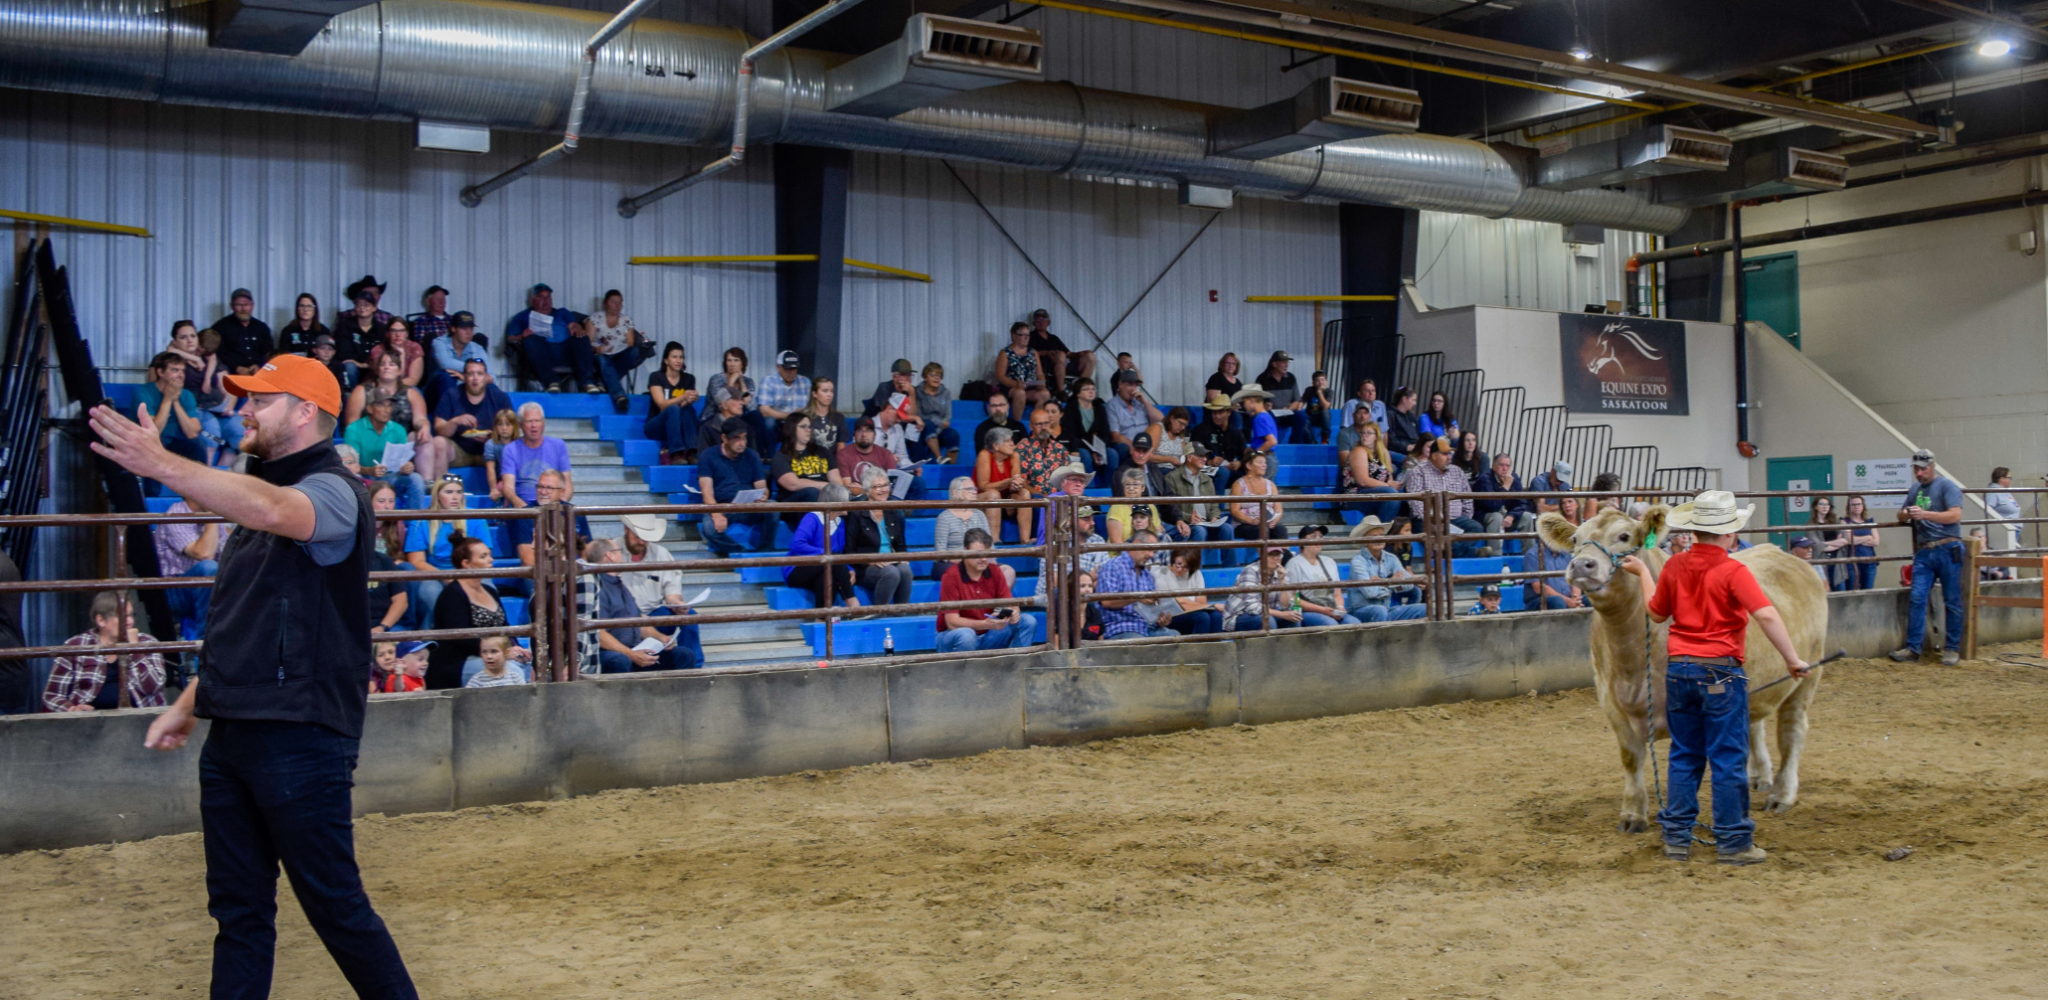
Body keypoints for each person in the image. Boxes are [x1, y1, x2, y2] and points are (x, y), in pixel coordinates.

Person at [91, 351, 418, 997]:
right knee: (238, 915)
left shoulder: (332, 492)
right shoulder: (254, 510)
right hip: (235, 733)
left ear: (303, 412)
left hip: (300, 734)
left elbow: (276, 508)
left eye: (259, 400)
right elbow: (242, 623)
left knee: (337, 910)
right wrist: (188, 704)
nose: (243, 408)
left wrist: (161, 464)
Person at [1619, 489, 1810, 866]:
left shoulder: (1674, 566)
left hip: (1679, 672)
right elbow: (1767, 615)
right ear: (1729, 535)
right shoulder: (1733, 570)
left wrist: (1643, 572)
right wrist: (1791, 659)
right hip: (1721, 671)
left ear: (1696, 531)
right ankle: (1734, 842)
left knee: (1685, 754)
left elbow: (1657, 614)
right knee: (1726, 758)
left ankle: (1676, 838)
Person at [1891, 449, 1966, 666]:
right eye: (1916, 469)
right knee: (1917, 597)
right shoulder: (1915, 489)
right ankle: (1913, 647)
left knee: (1952, 600)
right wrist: (1906, 514)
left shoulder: (1947, 486)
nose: (1919, 473)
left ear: (1932, 467)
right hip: (1925, 550)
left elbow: (1955, 515)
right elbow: (1900, 514)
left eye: (1923, 469)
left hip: (1947, 546)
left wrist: (1924, 515)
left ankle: (1951, 648)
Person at [41, 590, 169, 711]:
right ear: (101, 620)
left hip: (141, 722)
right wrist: (71, 709)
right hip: (92, 726)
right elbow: (51, 694)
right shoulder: (76, 645)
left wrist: (134, 649)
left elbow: (153, 687)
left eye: (131, 615)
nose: (130, 621)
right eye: (123, 616)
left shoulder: (147, 642)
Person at [587, 538, 699, 672]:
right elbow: (598, 632)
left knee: (684, 655)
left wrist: (660, 637)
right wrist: (631, 654)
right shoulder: (597, 587)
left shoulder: (620, 585)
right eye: (619, 551)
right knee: (619, 661)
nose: (622, 555)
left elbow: (639, 622)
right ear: (610, 556)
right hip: (612, 652)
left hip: (633, 648)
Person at [430, 533, 520, 688]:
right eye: (484, 556)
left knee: (527, 662)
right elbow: (461, 638)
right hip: (461, 661)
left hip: (494, 655)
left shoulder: (489, 590)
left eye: (490, 555)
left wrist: (515, 648)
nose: (491, 560)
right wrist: (500, 654)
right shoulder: (452, 595)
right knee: (510, 671)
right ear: (467, 563)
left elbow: (505, 625)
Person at [935, 528, 1038, 652]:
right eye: (977, 554)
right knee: (966, 635)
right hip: (956, 635)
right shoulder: (951, 576)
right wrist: (984, 624)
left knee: (1027, 621)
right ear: (965, 551)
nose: (983, 559)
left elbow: (1011, 604)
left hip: (988, 633)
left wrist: (1014, 612)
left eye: (987, 554)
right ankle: (964, 671)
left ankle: (1015, 667)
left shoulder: (995, 571)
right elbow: (952, 622)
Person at [403, 476, 491, 618]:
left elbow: (484, 555)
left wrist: (463, 577)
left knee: (488, 588)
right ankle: (434, 635)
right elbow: (416, 561)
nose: (455, 497)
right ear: (437, 495)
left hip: (471, 571)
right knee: (431, 592)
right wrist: (445, 576)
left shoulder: (476, 518)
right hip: (434, 574)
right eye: (449, 492)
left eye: (458, 492)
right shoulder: (420, 521)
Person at [698, 417, 772, 558]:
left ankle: (765, 552)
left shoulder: (752, 455)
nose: (741, 443)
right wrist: (717, 514)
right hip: (722, 506)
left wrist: (764, 494)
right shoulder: (708, 456)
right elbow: (707, 492)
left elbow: (761, 485)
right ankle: (741, 554)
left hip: (748, 506)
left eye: (744, 438)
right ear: (724, 438)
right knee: (708, 528)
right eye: (736, 438)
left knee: (773, 508)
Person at [154, 495, 229, 635]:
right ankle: (204, 642)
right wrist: (212, 517)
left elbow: (228, 554)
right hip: (174, 589)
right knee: (209, 568)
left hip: (204, 587)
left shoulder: (212, 517)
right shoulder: (176, 514)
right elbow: (204, 554)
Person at [503, 283, 595, 393]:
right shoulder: (522, 317)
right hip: (542, 354)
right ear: (532, 300)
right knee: (531, 340)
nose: (545, 300)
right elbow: (510, 338)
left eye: (548, 297)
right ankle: (552, 382)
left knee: (582, 338)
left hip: (565, 352)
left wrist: (576, 328)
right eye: (541, 297)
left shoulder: (562, 312)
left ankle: (588, 383)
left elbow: (573, 325)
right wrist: (522, 336)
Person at [342, 393, 426, 509]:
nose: (387, 410)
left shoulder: (399, 429)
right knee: (353, 478)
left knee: (415, 479)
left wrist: (407, 467)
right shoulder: (353, 429)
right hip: (364, 478)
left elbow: (403, 460)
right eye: (381, 405)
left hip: (390, 477)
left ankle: (415, 525)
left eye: (389, 405)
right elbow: (350, 465)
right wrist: (370, 471)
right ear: (370, 408)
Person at [845, 467, 915, 606]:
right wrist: (871, 560)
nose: (883, 490)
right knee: (891, 573)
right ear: (866, 491)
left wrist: (902, 558)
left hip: (891, 560)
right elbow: (849, 549)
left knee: (905, 571)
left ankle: (900, 614)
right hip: (865, 567)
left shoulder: (893, 511)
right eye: (877, 486)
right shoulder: (856, 513)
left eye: (885, 485)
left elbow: (901, 545)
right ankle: (879, 613)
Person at [1406, 437, 1484, 557]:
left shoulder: (1457, 471)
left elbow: (1467, 498)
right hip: (1427, 520)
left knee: (1476, 528)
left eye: (1450, 454)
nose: (1449, 457)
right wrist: (1436, 521)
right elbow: (1415, 502)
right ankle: (1469, 552)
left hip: (1455, 519)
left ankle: (1447, 551)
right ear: (1434, 456)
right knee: (1433, 531)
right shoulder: (1419, 471)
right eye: (1445, 454)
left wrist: (1465, 517)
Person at [432, 358, 515, 471]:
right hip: (459, 450)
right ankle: (441, 486)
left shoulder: (499, 397)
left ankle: (504, 487)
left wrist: (492, 436)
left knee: (507, 447)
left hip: (489, 451)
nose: (475, 378)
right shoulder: (451, 395)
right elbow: (438, 429)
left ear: (486, 377)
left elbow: (513, 429)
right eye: (471, 374)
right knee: (438, 442)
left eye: (479, 374)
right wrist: (455, 422)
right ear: (464, 377)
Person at [785, 483, 857, 608]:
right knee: (832, 559)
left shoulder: (840, 523)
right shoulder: (812, 518)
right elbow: (797, 545)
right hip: (798, 568)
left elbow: (839, 553)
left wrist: (849, 569)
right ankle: (852, 602)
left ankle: (821, 619)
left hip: (824, 567)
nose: (849, 503)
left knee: (827, 579)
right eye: (846, 500)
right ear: (836, 502)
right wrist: (825, 553)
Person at [1094, 530, 1174, 640]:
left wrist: (1159, 620)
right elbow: (1106, 601)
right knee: (1140, 641)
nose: (1151, 555)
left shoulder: (1146, 575)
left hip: (1145, 628)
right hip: (1120, 627)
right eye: (1149, 549)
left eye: (1153, 551)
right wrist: (1137, 597)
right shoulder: (1113, 566)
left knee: (1174, 637)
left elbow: (1149, 609)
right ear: (1136, 543)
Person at [933, 476, 1013, 585]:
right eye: (969, 489)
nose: (974, 492)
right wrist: (966, 561)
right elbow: (941, 552)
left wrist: (991, 559)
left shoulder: (979, 515)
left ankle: (994, 601)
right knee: (969, 570)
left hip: (979, 559)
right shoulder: (944, 517)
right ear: (955, 493)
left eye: (975, 489)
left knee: (1008, 572)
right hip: (952, 561)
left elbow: (989, 543)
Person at [1346, 518, 1428, 622]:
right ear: (1365, 541)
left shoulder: (1391, 558)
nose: (1379, 539)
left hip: (1386, 609)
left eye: (1381, 535)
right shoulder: (1358, 562)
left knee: (1425, 608)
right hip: (1360, 610)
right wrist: (1393, 582)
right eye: (1374, 536)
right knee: (1380, 611)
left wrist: (1383, 583)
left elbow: (1409, 584)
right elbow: (1370, 593)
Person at [135, 350, 208, 466]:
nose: (181, 375)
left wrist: (175, 401)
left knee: (197, 445)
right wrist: (167, 399)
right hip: (152, 443)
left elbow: (192, 433)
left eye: (182, 371)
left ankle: (199, 483)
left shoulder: (186, 395)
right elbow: (154, 432)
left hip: (177, 443)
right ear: (160, 372)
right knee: (152, 448)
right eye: (174, 370)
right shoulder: (144, 393)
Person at [586, 289, 651, 412]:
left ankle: (603, 383)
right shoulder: (595, 318)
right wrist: (596, 348)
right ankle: (619, 395)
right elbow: (586, 342)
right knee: (604, 360)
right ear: (605, 303)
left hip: (618, 354)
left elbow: (630, 343)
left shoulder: (626, 320)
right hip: (599, 354)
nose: (617, 306)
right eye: (613, 302)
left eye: (620, 303)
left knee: (634, 352)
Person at [772, 412, 842, 525]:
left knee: (858, 499)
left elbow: (837, 480)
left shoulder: (822, 451)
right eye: (803, 427)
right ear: (792, 429)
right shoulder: (781, 456)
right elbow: (793, 484)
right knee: (811, 492)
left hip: (824, 498)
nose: (808, 430)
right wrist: (826, 486)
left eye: (809, 426)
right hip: (793, 505)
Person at [1286, 524, 1358, 626]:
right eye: (1313, 536)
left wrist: (1340, 608)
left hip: (1330, 608)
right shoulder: (1294, 564)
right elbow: (1294, 598)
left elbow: (1337, 593)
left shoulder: (1329, 562)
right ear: (1303, 542)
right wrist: (1322, 610)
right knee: (1330, 624)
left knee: (1354, 623)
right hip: (1308, 611)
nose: (1318, 539)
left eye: (1320, 536)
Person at [973, 426, 1034, 544]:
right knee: (994, 494)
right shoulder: (984, 455)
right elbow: (983, 486)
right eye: (1007, 441)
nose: (1012, 444)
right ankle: (995, 540)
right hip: (982, 499)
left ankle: (1025, 540)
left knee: (1024, 493)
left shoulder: (1014, 455)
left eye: (1011, 440)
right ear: (996, 446)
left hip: (1004, 500)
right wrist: (1008, 482)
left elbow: (1015, 479)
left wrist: (1016, 484)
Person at [644, 341, 700, 463]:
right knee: (673, 409)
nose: (678, 360)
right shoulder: (656, 377)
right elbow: (662, 405)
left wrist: (691, 399)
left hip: (677, 426)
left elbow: (685, 405)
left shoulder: (689, 378)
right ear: (666, 360)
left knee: (688, 409)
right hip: (656, 425)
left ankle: (691, 453)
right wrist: (683, 397)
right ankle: (676, 454)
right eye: (674, 357)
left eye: (681, 357)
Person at [708, 347, 769, 457]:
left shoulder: (748, 382)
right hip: (717, 416)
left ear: (743, 364)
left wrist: (741, 381)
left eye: (736, 360)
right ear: (725, 363)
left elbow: (751, 406)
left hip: (739, 417)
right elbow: (721, 403)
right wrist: (731, 381)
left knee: (756, 417)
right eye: (729, 360)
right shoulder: (717, 379)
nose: (732, 364)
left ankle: (760, 455)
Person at [1224, 545, 1302, 631]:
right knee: (1267, 621)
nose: (1275, 558)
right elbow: (1252, 607)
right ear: (1262, 556)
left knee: (1294, 619)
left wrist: (1282, 582)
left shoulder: (1281, 572)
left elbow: (1286, 605)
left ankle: (1285, 645)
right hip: (1239, 615)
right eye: (1271, 555)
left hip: (1267, 613)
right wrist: (1281, 614)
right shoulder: (1251, 571)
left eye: (1278, 555)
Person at [1057, 377, 1119, 485]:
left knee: (1112, 454)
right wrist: (1092, 451)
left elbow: (1105, 432)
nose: (1091, 391)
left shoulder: (1100, 408)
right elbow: (1071, 434)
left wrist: (1098, 451)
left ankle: (1109, 488)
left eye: (1093, 389)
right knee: (1085, 455)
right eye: (1086, 389)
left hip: (1097, 446)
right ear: (1078, 394)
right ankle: (1089, 490)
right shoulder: (1071, 409)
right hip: (1078, 446)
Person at [1146, 547, 1222, 635]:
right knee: (1202, 617)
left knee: (1216, 615)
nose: (1180, 569)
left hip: (1192, 613)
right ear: (1173, 559)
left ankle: (1214, 648)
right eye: (1178, 564)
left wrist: (1203, 606)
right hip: (1171, 617)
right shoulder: (1161, 573)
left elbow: (1202, 602)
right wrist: (1210, 606)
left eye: (1186, 567)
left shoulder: (1196, 574)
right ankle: (1197, 648)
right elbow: (1177, 602)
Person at [1340, 419, 1401, 525]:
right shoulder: (1358, 451)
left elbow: (1389, 475)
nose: (1364, 436)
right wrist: (1388, 485)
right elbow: (1363, 481)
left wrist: (1393, 484)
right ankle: (1381, 533)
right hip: (1355, 495)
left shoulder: (1384, 452)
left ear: (1376, 437)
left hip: (1377, 493)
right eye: (1363, 433)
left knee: (1407, 495)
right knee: (1391, 494)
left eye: (1369, 433)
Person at [1474, 452, 1532, 558]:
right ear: (1494, 467)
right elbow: (1492, 506)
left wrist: (1512, 515)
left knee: (1527, 517)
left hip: (1507, 517)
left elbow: (1522, 502)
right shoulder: (1485, 480)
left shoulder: (1513, 478)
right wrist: (1506, 486)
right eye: (1501, 465)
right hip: (1486, 518)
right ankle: (1496, 557)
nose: (1505, 469)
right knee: (1497, 517)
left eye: (1508, 466)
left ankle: (1530, 556)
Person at [427, 311, 490, 408]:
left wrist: (466, 377)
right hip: (435, 392)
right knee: (447, 376)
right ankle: (447, 415)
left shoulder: (477, 348)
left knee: (490, 387)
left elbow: (491, 377)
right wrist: (474, 370)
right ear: (453, 329)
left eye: (471, 329)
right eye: (464, 329)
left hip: (465, 389)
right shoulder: (439, 343)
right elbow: (446, 363)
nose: (469, 333)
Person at [209, 287, 274, 376]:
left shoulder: (262, 327)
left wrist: (259, 365)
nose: (243, 309)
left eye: (246, 304)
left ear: (252, 306)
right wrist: (237, 368)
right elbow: (218, 354)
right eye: (238, 305)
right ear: (232, 306)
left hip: (260, 373)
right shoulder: (221, 327)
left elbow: (269, 352)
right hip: (230, 374)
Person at [1104, 369, 1164, 465]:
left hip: (1148, 444)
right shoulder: (1112, 405)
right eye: (1129, 385)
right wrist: (1137, 447)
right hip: (1129, 446)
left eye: (1135, 385)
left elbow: (1161, 420)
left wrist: (1146, 402)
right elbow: (1115, 436)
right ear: (1120, 385)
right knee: (1122, 448)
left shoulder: (1140, 402)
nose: (1133, 389)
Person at [992, 322, 1051, 418]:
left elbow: (1039, 373)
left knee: (1045, 394)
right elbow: (1000, 376)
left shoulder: (1033, 352)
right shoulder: (1005, 353)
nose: (1026, 338)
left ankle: (1035, 421)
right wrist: (1015, 384)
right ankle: (1017, 423)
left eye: (1028, 335)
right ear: (1014, 336)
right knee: (1020, 393)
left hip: (1029, 387)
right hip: (1011, 387)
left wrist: (1041, 382)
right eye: (1023, 335)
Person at [1189, 393, 1244, 492]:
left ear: (1229, 412)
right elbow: (1191, 455)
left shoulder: (1235, 433)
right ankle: (1218, 506)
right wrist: (1209, 462)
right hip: (1203, 468)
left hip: (1226, 470)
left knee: (1249, 472)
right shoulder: (1201, 430)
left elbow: (1243, 454)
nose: (1217, 416)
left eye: (1220, 412)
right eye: (1214, 413)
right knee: (1223, 472)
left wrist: (1239, 463)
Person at [1229, 448, 1286, 542]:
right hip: (1245, 524)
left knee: (1280, 529)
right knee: (1260, 530)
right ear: (1249, 465)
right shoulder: (1239, 484)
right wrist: (1251, 521)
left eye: (1265, 462)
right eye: (1260, 462)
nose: (1264, 465)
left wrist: (1274, 520)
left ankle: (1285, 556)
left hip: (1267, 522)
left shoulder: (1271, 485)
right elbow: (1234, 510)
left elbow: (1278, 509)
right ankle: (1264, 556)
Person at [1027, 307, 1092, 389]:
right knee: (1060, 355)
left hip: (1063, 365)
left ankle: (1081, 388)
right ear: (1034, 323)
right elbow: (1027, 352)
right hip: (1046, 367)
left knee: (1090, 356)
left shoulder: (1053, 338)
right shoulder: (1030, 336)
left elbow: (1069, 354)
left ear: (1048, 322)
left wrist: (1081, 354)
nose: (1040, 322)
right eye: (1038, 320)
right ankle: (1061, 391)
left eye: (1043, 320)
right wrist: (1046, 353)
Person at [333, 288, 386, 388]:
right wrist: (361, 364)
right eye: (358, 305)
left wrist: (364, 365)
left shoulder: (381, 329)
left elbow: (383, 352)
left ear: (374, 308)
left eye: (366, 305)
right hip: (353, 368)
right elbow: (344, 354)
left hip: (374, 367)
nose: (362, 308)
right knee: (349, 366)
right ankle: (352, 398)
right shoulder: (345, 326)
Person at [1254, 351, 1310, 443]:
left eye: (1287, 363)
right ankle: (1271, 443)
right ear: (1274, 364)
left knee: (1301, 416)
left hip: (1287, 412)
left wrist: (1288, 409)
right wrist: (1264, 407)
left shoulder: (1291, 378)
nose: (1286, 365)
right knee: (1267, 417)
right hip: (1271, 413)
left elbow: (1297, 400)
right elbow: (1256, 401)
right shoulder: (1262, 379)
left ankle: (1295, 443)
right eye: (1283, 363)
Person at [1017, 405, 1071, 497]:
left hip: (1060, 498)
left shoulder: (1060, 449)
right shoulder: (1023, 450)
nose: (1044, 427)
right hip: (1036, 498)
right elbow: (1022, 484)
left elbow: (1068, 478)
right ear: (1031, 426)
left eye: (1046, 423)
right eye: (1039, 424)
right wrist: (1045, 497)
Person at [913, 362, 960, 463]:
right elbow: (919, 415)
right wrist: (938, 422)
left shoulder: (946, 392)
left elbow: (947, 416)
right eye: (933, 375)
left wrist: (939, 427)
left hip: (940, 428)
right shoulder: (917, 392)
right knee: (928, 423)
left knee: (953, 434)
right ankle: (939, 457)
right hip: (923, 427)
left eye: (939, 375)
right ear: (925, 377)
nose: (936, 378)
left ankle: (949, 468)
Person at [1105, 465, 1163, 546]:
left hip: (1148, 552)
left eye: (1135, 484)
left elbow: (1158, 531)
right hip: (1123, 553)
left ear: (1143, 488)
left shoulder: (1150, 506)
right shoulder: (1116, 507)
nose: (1131, 488)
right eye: (1127, 485)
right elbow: (1116, 543)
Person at [758, 349, 812, 433]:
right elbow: (765, 411)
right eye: (787, 369)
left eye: (794, 369)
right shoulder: (768, 381)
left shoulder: (805, 382)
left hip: (799, 422)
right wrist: (789, 416)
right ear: (778, 367)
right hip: (778, 422)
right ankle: (771, 446)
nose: (791, 372)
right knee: (769, 422)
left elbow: (811, 406)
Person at [1802, 495, 1846, 591]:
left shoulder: (1836, 522)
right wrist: (1835, 543)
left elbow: (1845, 540)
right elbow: (1819, 547)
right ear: (1816, 507)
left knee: (1840, 591)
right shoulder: (1810, 525)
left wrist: (1825, 543)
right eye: (1821, 504)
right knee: (1824, 591)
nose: (1825, 507)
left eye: (1827, 504)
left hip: (1837, 560)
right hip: (1820, 561)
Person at [367, 316, 424, 389]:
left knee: (414, 390)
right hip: (380, 387)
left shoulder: (415, 348)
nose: (398, 335)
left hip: (405, 386)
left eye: (402, 331)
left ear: (407, 334)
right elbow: (383, 378)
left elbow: (413, 380)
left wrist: (402, 355)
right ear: (387, 334)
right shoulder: (378, 350)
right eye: (394, 331)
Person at [1841, 495, 1880, 591]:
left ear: (1863, 506)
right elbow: (1849, 540)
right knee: (1852, 591)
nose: (1856, 507)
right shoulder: (1845, 521)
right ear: (1849, 507)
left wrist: (1857, 540)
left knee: (1868, 592)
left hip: (1869, 562)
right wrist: (1868, 537)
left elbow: (1876, 542)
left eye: (1859, 504)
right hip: (1852, 562)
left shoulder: (1870, 522)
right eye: (1853, 505)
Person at [276, 293, 329, 357]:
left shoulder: (323, 331)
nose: (305, 309)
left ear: (315, 309)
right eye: (302, 306)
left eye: (309, 306)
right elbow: (283, 356)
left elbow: (327, 355)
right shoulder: (288, 331)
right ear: (297, 309)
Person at [465, 636, 531, 687]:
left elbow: (524, 698)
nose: (489, 656)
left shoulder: (515, 677)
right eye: (484, 652)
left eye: (494, 651)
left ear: (506, 653)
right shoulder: (477, 681)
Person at [1986, 467, 2022, 560]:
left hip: (2013, 528)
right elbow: (1988, 511)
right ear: (2001, 478)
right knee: (2007, 558)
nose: (2010, 480)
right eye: (2009, 478)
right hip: (2005, 530)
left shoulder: (2004, 491)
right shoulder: (1993, 492)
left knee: (2012, 556)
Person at [1234, 384, 1279, 453]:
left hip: (1265, 456)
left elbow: (1272, 441)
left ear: (1251, 400)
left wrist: (1256, 454)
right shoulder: (1266, 415)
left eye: (1244, 402)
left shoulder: (1259, 418)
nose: (1244, 405)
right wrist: (1252, 448)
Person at [1385, 387, 1421, 463]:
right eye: (1413, 400)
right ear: (1404, 399)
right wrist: (1406, 447)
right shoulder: (1390, 415)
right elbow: (1390, 438)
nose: (1415, 403)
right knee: (1414, 463)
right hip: (1398, 451)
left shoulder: (1412, 416)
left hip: (1413, 450)